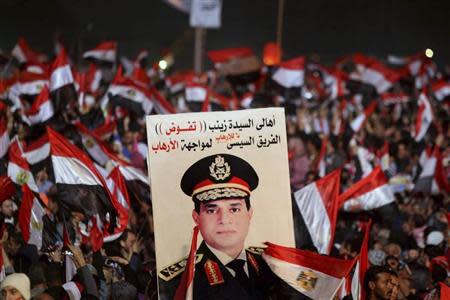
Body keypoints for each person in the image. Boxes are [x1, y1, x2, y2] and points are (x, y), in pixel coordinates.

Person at [158, 153, 273, 300]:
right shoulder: (177, 283)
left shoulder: (271, 267)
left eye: (234, 209)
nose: (224, 220)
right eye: (211, 210)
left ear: (249, 214)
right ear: (196, 218)